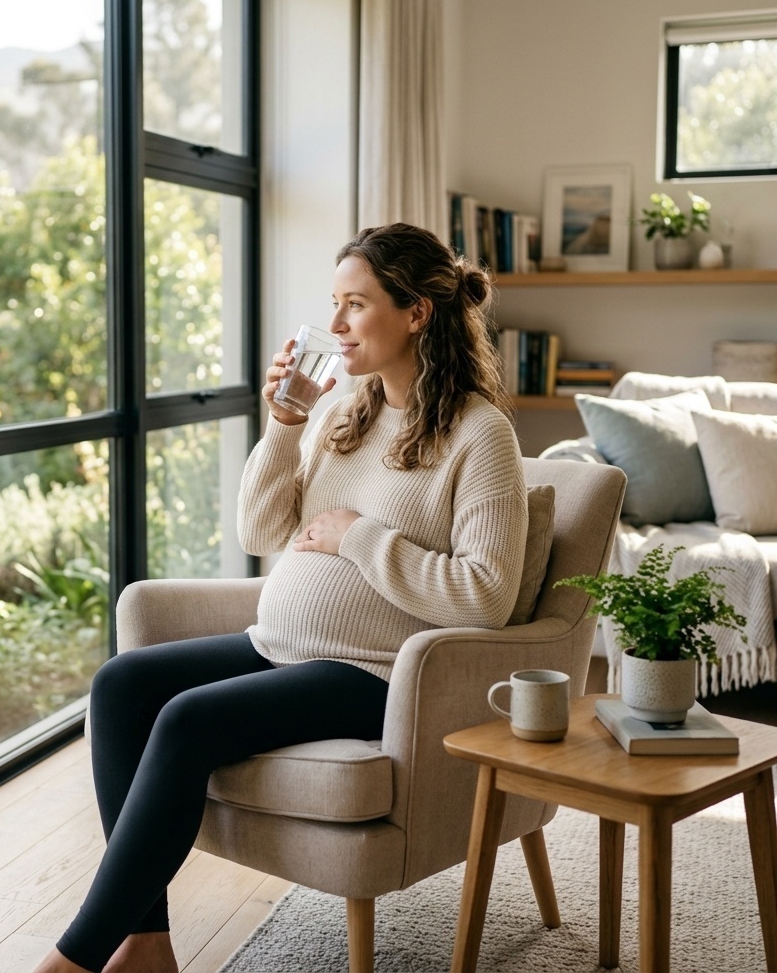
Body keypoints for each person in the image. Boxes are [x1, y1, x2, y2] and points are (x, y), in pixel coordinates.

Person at [36, 222, 529, 973]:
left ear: (416, 313)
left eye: (355, 305)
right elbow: (262, 528)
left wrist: (360, 536)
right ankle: (147, 942)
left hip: (375, 674)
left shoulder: (479, 435)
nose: (334, 325)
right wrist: (286, 425)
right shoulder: (343, 409)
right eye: (333, 304)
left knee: (188, 718)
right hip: (280, 647)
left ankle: (73, 959)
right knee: (120, 685)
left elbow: (487, 596)